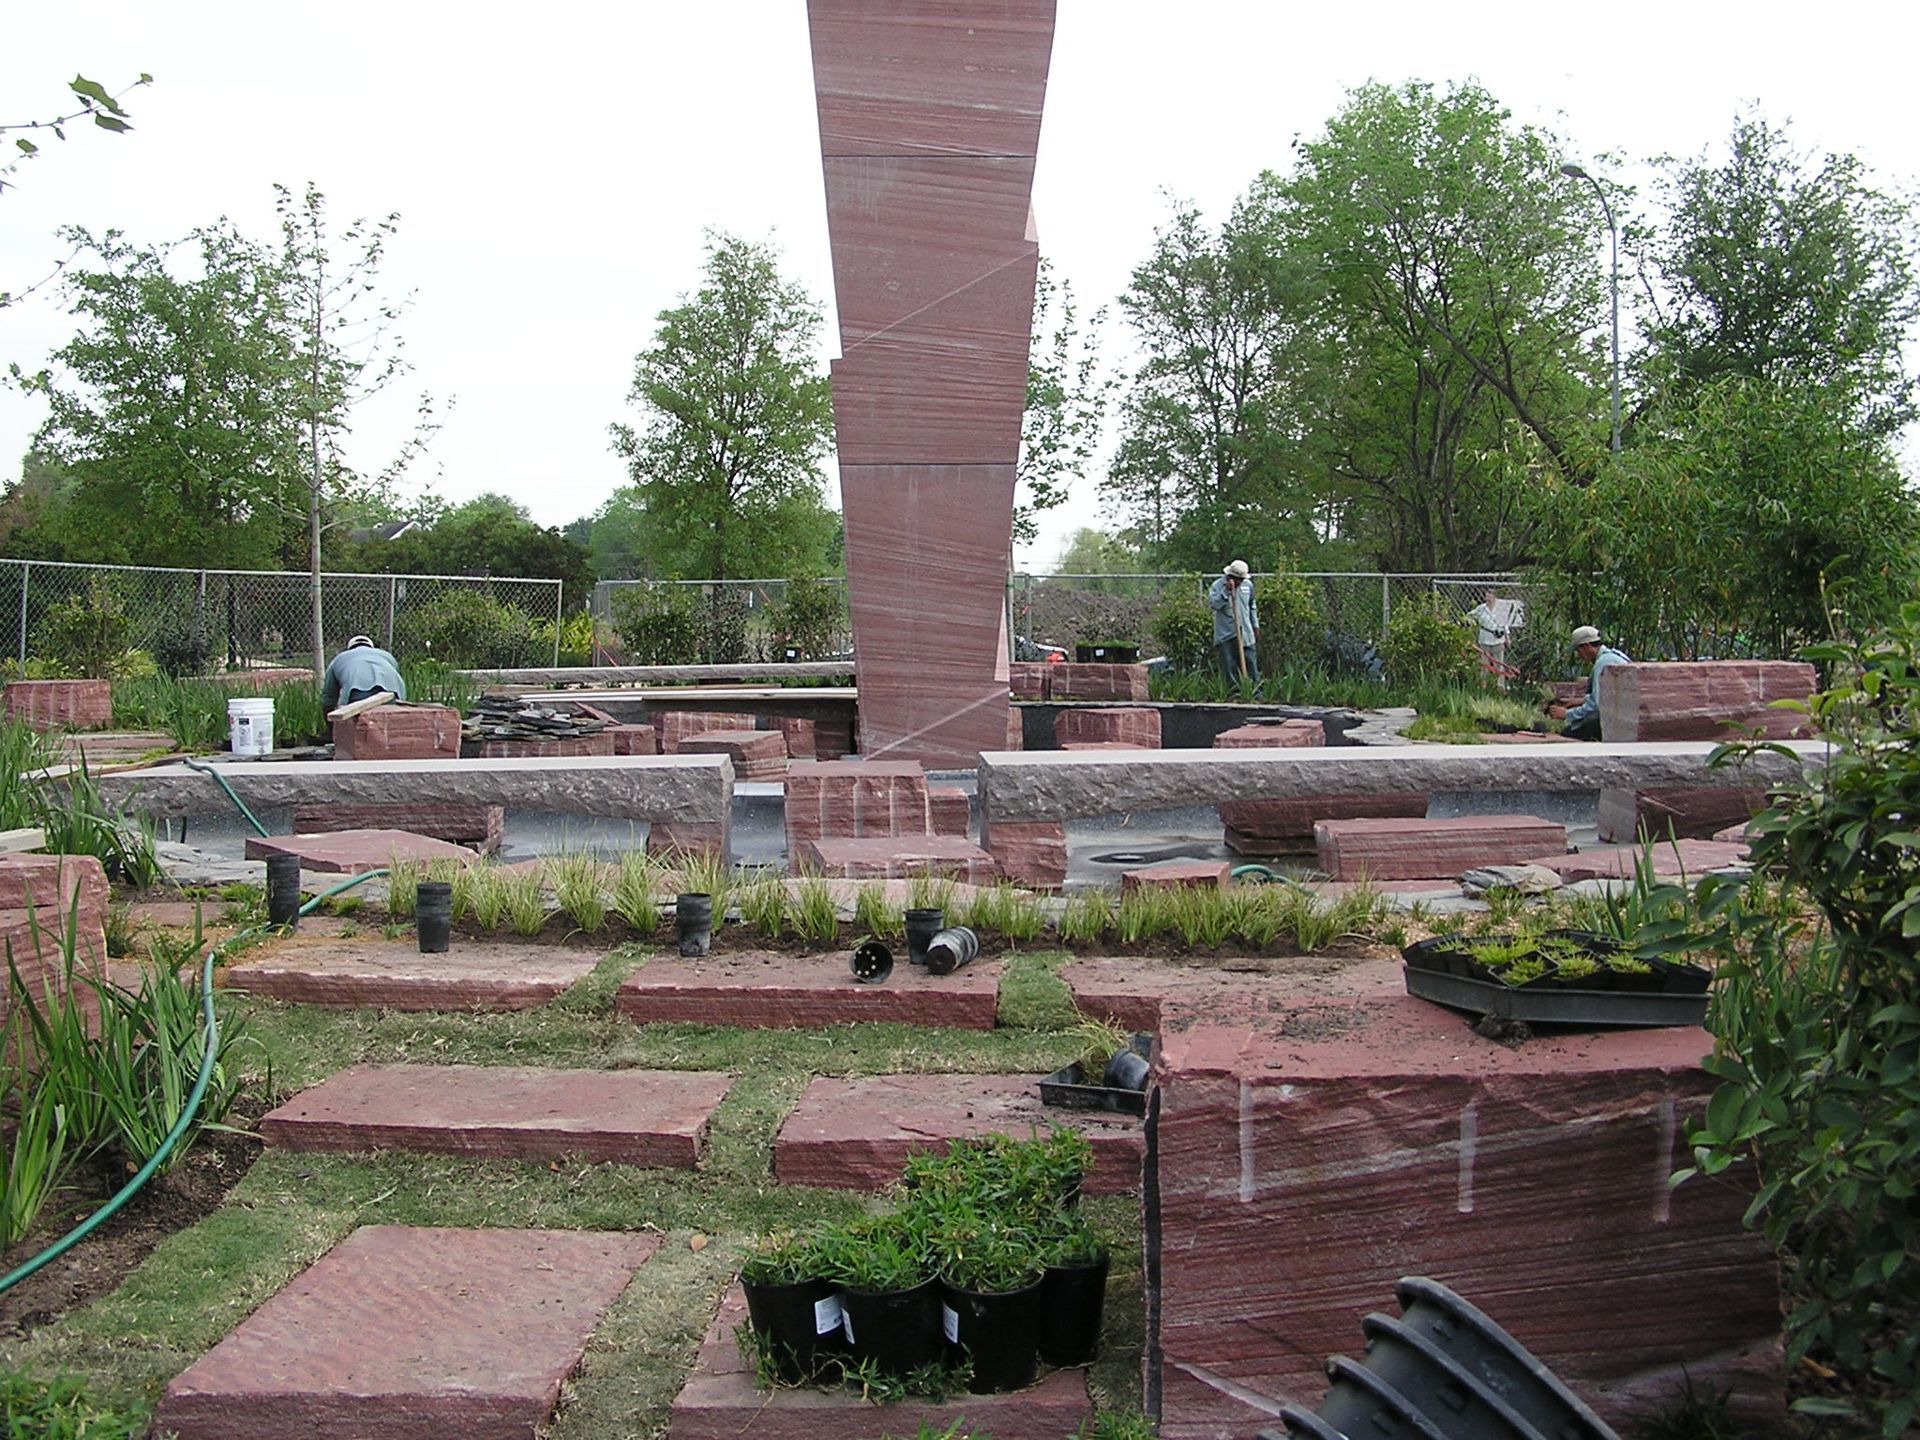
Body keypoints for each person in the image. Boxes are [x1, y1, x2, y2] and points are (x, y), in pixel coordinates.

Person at [1547, 625, 1629, 741]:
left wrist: (1567, 714)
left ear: (1586, 646)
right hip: (1623, 715)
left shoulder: (1603, 663)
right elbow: (1605, 695)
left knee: (1568, 734)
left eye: (1578, 650)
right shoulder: (1614, 656)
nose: (1578, 655)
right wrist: (1579, 701)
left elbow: (1597, 705)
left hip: (1615, 720)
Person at [321, 634, 407, 711]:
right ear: (371, 647)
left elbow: (329, 698)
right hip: (392, 694)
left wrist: (329, 719)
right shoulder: (387, 656)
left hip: (357, 694)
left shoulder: (339, 658)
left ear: (349, 648)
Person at [1207, 560, 1260, 685]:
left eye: (1242, 579)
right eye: (1238, 579)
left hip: (1246, 633)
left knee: (1250, 663)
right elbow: (1214, 604)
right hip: (1226, 634)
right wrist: (1226, 591)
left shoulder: (1248, 585)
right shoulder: (1218, 586)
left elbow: (1252, 606)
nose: (1240, 582)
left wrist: (1255, 625)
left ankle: (1253, 691)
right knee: (1230, 667)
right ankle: (1234, 692)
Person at [1467, 589, 1510, 686]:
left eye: (1490, 596)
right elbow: (1470, 615)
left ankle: (1500, 686)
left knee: (1499, 664)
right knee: (1484, 664)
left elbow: (1505, 624)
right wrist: (1471, 623)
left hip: (1498, 640)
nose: (1488, 599)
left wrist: (1507, 637)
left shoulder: (1500, 609)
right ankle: (1484, 684)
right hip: (1485, 639)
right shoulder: (1481, 608)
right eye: (1486, 596)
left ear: (1494, 597)